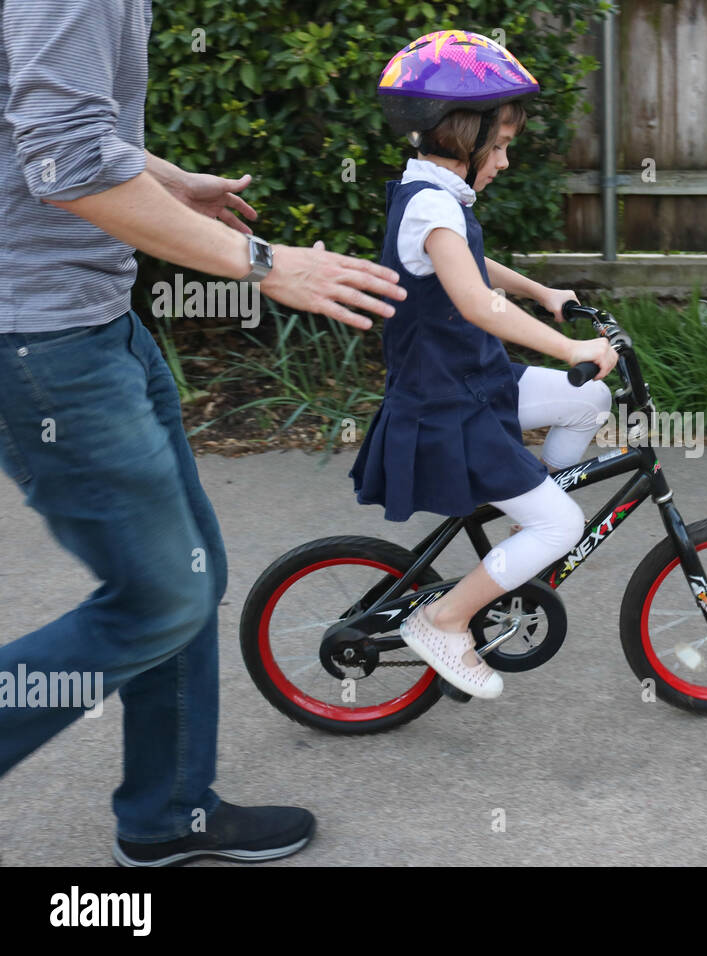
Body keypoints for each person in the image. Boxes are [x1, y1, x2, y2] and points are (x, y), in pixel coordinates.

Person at [0, 0, 407, 866]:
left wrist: (163, 177)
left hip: (94, 320)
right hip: (41, 340)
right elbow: (65, 162)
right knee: (159, 598)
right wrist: (266, 264)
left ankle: (168, 813)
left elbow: (51, 117)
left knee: (190, 572)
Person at [350, 30, 618, 699]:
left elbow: (471, 265)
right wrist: (573, 349)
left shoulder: (433, 193)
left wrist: (542, 291)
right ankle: (444, 619)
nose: (502, 161)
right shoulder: (435, 202)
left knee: (591, 404)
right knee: (564, 524)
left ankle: (527, 515)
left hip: (476, 382)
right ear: (461, 136)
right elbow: (476, 303)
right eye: (497, 147)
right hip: (448, 403)